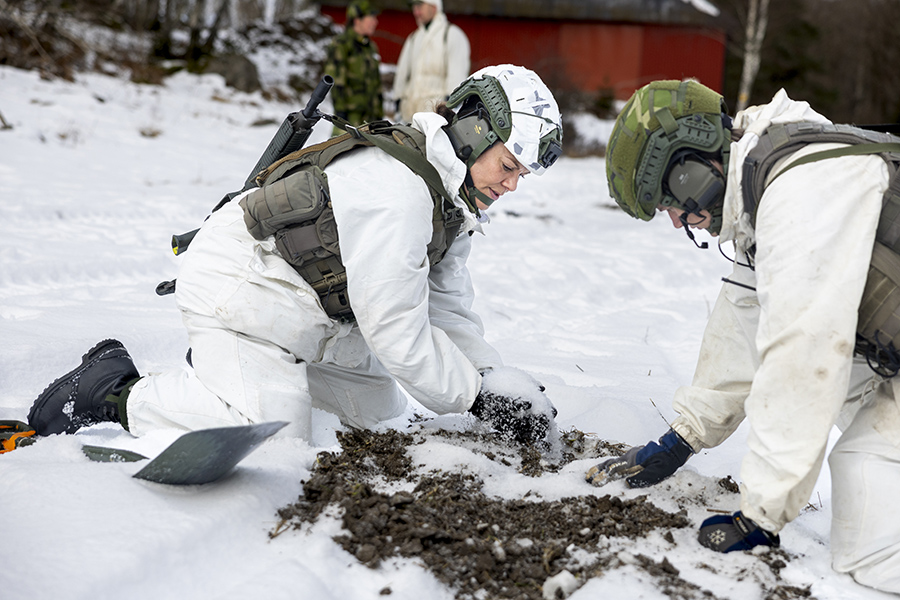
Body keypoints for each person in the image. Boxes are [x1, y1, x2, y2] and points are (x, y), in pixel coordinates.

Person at [27, 65, 564, 451]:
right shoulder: (396, 191)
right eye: (509, 165)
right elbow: (397, 328)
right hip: (241, 297)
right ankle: (112, 390)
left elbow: (444, 310)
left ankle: (228, 377)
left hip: (303, 316)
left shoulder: (449, 200)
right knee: (273, 435)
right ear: (474, 134)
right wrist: (476, 399)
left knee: (374, 417)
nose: (512, 185)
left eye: (522, 175)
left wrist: (495, 380)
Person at [588, 78, 900, 594]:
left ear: (690, 167)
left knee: (868, 525)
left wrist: (761, 513)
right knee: (852, 406)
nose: (674, 221)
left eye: (669, 201)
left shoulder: (802, 193)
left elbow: (803, 354)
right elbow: (743, 317)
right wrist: (685, 436)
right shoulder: (770, 180)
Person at [392, 0, 470, 123]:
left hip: (434, 119)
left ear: (434, 7)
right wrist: (398, 100)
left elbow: (457, 79)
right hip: (408, 118)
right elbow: (402, 74)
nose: (416, 12)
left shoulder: (451, 35)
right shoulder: (414, 38)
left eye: (420, 6)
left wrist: (449, 110)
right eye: (414, 7)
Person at [323, 0, 383, 136]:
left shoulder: (371, 47)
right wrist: (341, 114)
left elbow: (377, 84)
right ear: (357, 20)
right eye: (371, 17)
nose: (375, 22)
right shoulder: (341, 45)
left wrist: (379, 115)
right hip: (349, 120)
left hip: (371, 121)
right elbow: (335, 80)